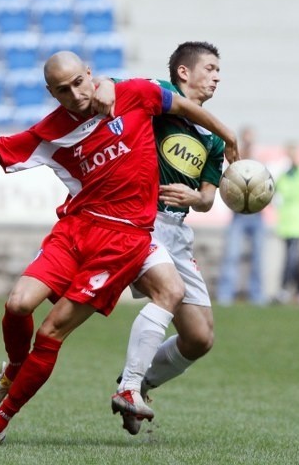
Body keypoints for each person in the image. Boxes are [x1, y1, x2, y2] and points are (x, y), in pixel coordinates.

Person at [0, 51, 237, 447]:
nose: (76, 94)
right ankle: (15, 372)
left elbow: (179, 107)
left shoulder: (136, 96)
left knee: (61, 328)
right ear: (51, 93)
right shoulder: (54, 129)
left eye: (80, 82)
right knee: (18, 304)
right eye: (63, 89)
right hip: (76, 230)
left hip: (127, 238)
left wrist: (229, 138)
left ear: (89, 74)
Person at [100, 41, 241, 435]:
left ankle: (140, 383)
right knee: (169, 292)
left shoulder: (212, 138)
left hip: (178, 231)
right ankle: (129, 386)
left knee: (199, 337)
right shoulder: (159, 97)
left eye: (218, 70)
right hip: (139, 221)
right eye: (210, 68)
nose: (217, 76)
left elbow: (209, 200)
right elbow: (111, 89)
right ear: (184, 72)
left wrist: (196, 196)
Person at [216, 126, 267, 306]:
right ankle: (225, 295)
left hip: (257, 216)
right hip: (238, 215)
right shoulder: (236, 160)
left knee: (258, 257)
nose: (249, 143)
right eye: (246, 139)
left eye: (251, 139)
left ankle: (257, 296)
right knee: (231, 255)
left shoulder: (259, 164)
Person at [273, 141, 299, 304]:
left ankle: (286, 289)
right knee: (290, 258)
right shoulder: (283, 176)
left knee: (293, 259)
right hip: (286, 224)